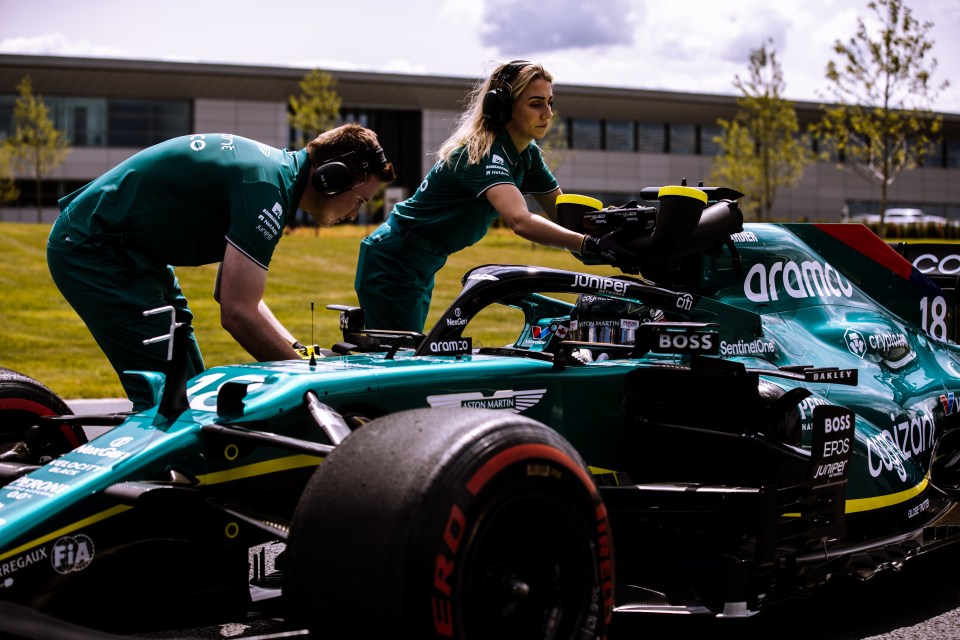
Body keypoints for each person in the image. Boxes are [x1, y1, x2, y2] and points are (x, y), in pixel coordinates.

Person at [48, 124, 396, 410]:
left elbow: (235, 298)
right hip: (94, 248)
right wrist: (315, 379)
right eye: (360, 200)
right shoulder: (267, 192)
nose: (355, 213)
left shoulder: (274, 180)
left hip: (126, 252)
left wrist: (305, 353)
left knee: (191, 390)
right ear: (330, 178)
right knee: (167, 401)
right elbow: (238, 313)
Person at [354, 60, 635, 332]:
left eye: (550, 102)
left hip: (417, 258)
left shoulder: (527, 154)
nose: (548, 113)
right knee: (400, 360)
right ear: (501, 108)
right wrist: (591, 245)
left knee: (405, 354)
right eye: (536, 104)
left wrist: (618, 231)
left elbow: (564, 219)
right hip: (395, 259)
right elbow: (520, 221)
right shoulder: (483, 152)